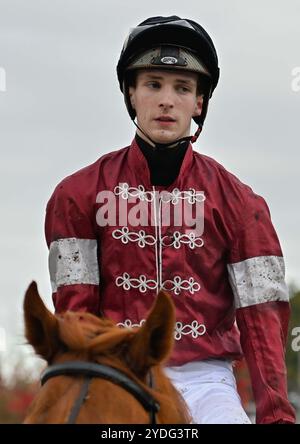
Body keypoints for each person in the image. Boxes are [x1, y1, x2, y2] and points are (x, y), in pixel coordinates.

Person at [45, 15, 296, 424]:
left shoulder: (242, 204)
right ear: (131, 93)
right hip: (116, 375)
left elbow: (263, 323)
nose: (166, 100)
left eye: (182, 88)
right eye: (153, 84)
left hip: (207, 381)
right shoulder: (75, 196)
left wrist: (276, 416)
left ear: (199, 102)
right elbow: (75, 318)